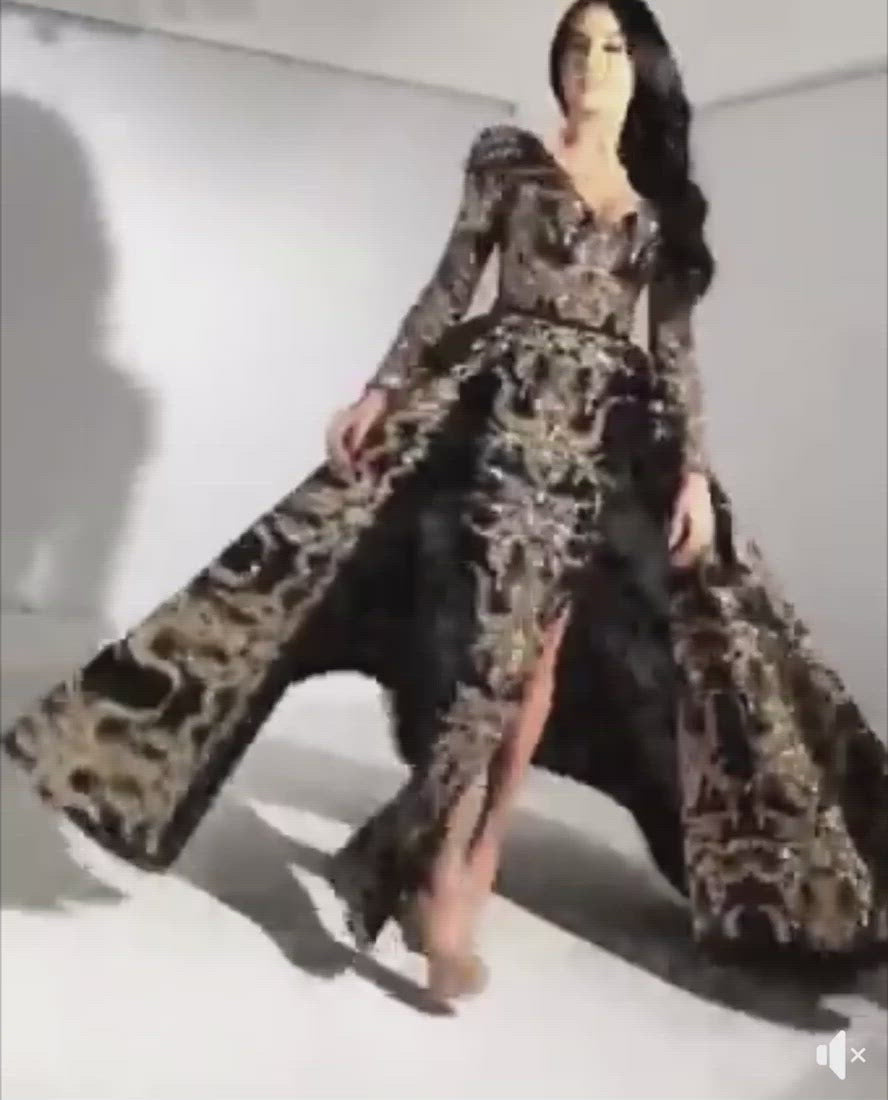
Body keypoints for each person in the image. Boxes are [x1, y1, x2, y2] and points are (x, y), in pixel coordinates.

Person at [4, 0, 886, 1007]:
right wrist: (381, 389)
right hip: (500, 427)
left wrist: (692, 473)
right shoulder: (508, 162)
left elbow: (673, 351)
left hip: (604, 449)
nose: (592, 66)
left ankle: (472, 866)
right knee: (487, 662)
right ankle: (432, 872)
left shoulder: (657, 202)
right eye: (576, 48)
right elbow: (451, 285)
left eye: (612, 49)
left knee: (541, 667)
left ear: (642, 67)